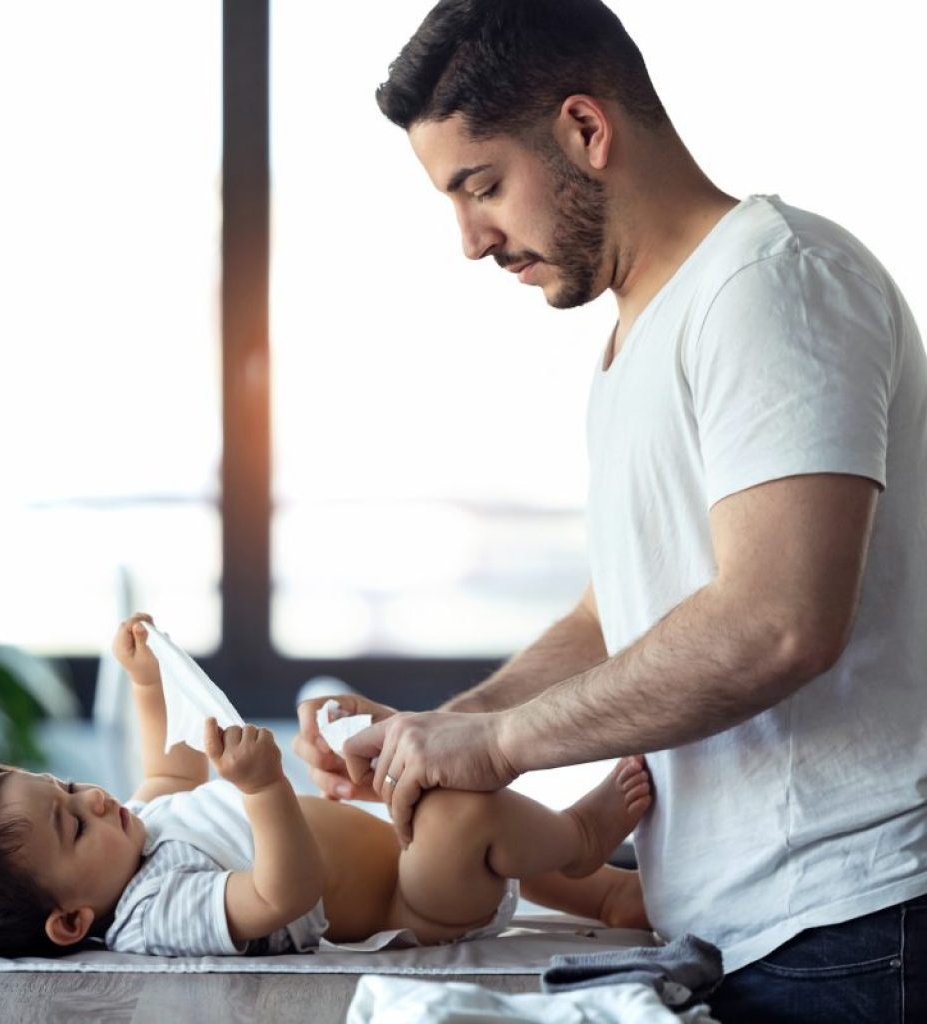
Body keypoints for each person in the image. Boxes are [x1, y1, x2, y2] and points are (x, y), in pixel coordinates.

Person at [292, 1, 927, 1020]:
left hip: (846, 926)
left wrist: (502, 746)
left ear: (586, 129)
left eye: (482, 186)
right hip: (749, 932)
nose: (470, 240)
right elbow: (616, 617)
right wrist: (444, 729)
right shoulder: (639, 336)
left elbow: (779, 620)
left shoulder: (773, 283)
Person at [0, 614, 650, 960]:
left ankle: (611, 897)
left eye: (67, 787)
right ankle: (581, 837)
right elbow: (280, 896)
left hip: (400, 851)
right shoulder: (151, 913)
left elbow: (170, 771)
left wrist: (148, 683)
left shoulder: (131, 831)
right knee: (455, 813)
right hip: (417, 902)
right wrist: (263, 791)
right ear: (69, 921)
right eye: (72, 824)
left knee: (424, 788)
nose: (94, 800)